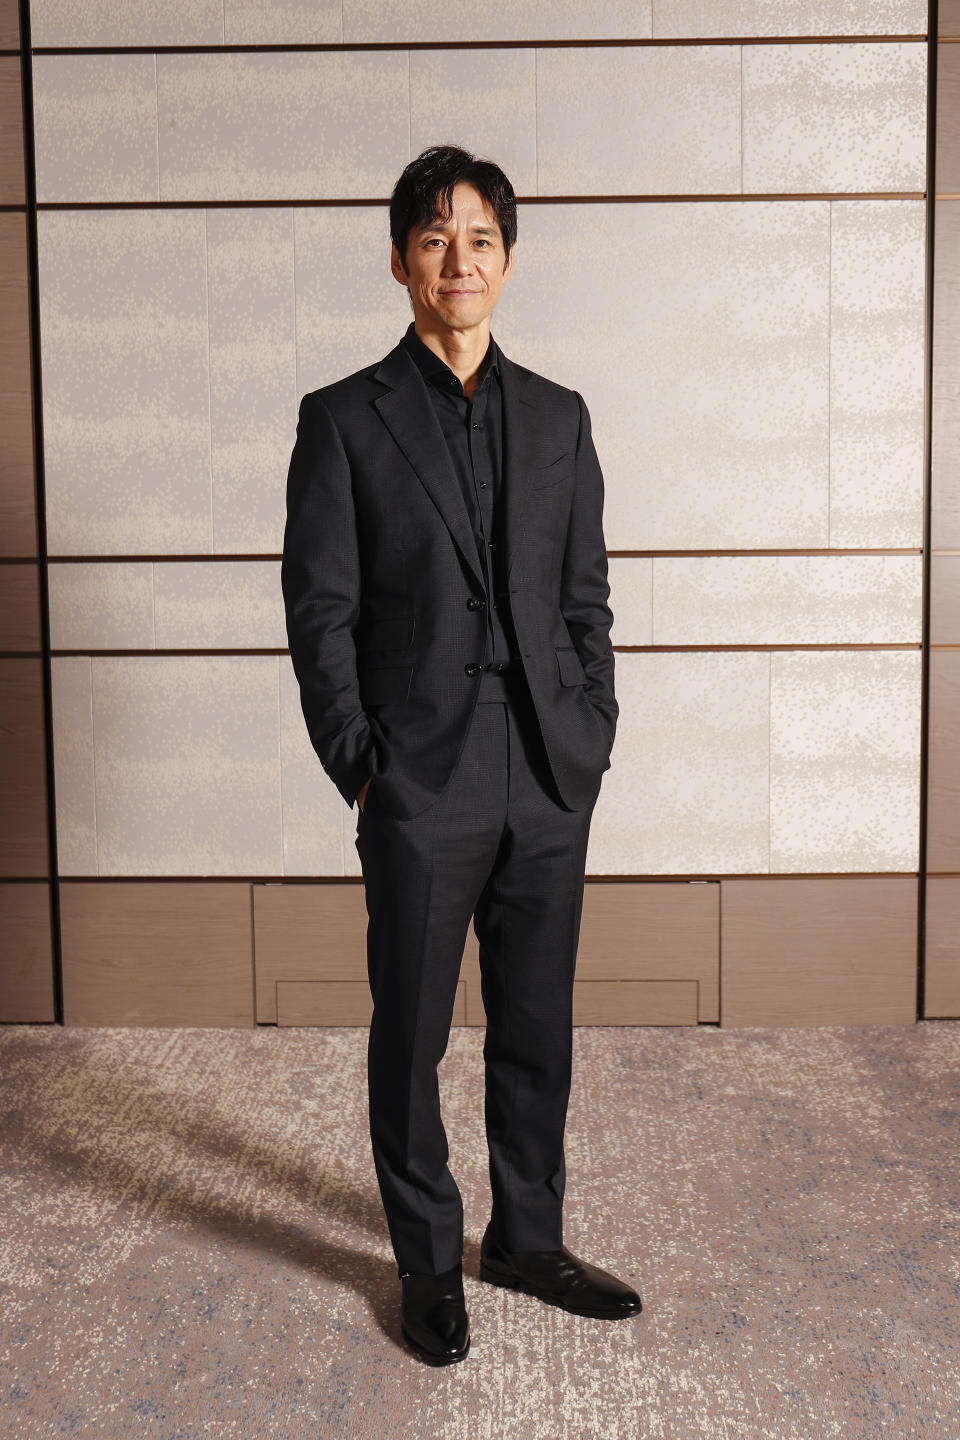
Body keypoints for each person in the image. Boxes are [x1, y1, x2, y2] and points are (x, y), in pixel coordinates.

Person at [281, 144, 641, 1365]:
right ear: (400, 261)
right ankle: (430, 1261)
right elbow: (318, 611)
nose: (459, 260)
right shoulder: (342, 421)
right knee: (414, 1035)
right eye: (435, 239)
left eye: (480, 238)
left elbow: (586, 596)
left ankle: (527, 1240)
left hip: (548, 772)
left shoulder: (561, 416)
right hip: (419, 780)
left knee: (539, 1025)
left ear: (508, 259)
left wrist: (590, 728)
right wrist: (362, 763)